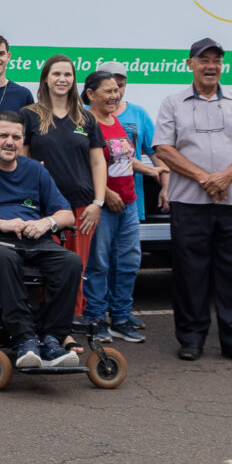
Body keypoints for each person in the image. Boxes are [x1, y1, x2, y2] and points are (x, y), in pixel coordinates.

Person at [153, 39, 232, 366]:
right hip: (190, 203)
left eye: (217, 60)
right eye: (204, 60)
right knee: (190, 274)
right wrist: (206, 179)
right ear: (190, 64)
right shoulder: (173, 103)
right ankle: (191, 339)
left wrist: (226, 177)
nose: (211, 66)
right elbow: (164, 148)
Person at [0, 111, 81, 369]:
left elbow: (66, 214)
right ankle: (25, 339)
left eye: (16, 137)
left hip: (34, 240)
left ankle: (52, 339)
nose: (10, 142)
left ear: (22, 141)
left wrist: (46, 223)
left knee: (70, 262)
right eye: (4, 135)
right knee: (5, 258)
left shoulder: (35, 170)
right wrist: (1, 223)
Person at [21, 55, 105, 332]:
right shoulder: (29, 115)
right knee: (47, 269)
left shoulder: (87, 118)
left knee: (76, 268)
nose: (62, 79)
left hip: (81, 208)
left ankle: (69, 325)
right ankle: (48, 326)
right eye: (56, 74)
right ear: (46, 78)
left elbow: (98, 163)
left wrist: (98, 202)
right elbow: (21, 160)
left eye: (67, 74)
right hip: (43, 209)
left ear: (73, 80)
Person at [80, 65, 158, 345]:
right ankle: (95, 318)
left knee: (128, 262)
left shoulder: (114, 121)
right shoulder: (85, 123)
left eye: (117, 90)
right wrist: (106, 194)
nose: (115, 96)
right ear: (91, 94)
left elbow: (124, 159)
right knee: (98, 264)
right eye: (108, 91)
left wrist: (154, 171)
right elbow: (81, 167)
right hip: (103, 205)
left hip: (129, 203)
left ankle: (121, 318)